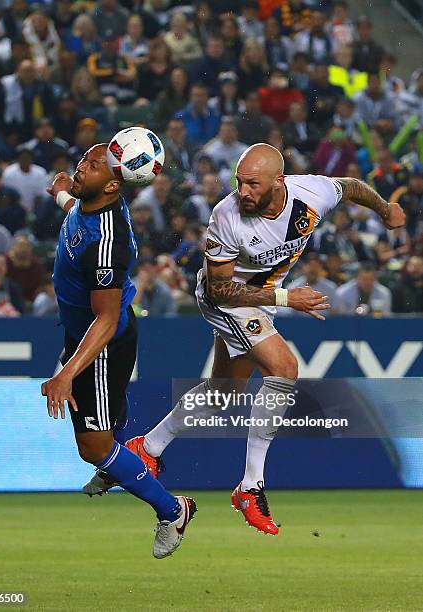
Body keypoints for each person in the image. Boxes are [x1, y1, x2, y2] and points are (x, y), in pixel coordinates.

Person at [83, 143, 406, 533]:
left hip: (260, 301)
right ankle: (251, 485)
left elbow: (351, 186)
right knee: (285, 367)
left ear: (279, 181)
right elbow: (221, 291)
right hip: (226, 298)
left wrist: (385, 209)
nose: (244, 191)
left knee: (223, 392)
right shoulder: (227, 215)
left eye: (253, 184)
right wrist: (288, 297)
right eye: (239, 181)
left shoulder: (312, 193)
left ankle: (147, 447)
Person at [41, 142, 196, 559]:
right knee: (102, 441)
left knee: (92, 445)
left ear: (113, 183)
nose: (80, 168)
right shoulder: (87, 203)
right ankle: (119, 464)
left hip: (102, 340)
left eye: (91, 166)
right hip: (82, 334)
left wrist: (66, 373)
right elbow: (76, 208)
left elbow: (106, 320)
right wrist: (61, 192)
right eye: (84, 160)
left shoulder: (108, 241)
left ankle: (173, 510)